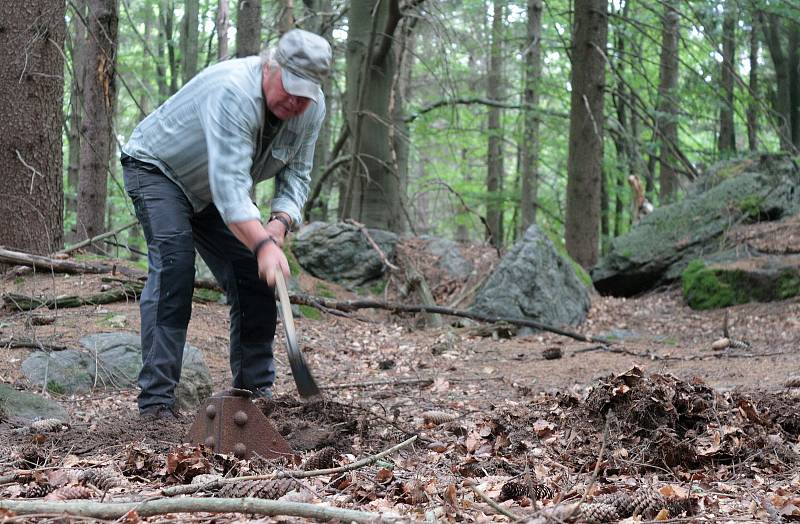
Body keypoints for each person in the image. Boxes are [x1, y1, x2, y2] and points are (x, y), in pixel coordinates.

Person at [120, 29, 331, 419]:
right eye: (290, 88)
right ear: (270, 66)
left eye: (306, 94)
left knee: (255, 276)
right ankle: (156, 406)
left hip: (214, 191)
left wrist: (278, 225)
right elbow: (231, 188)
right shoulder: (234, 90)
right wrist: (262, 244)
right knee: (175, 269)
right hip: (158, 170)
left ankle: (253, 398)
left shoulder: (310, 108)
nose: (295, 101)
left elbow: (298, 176)